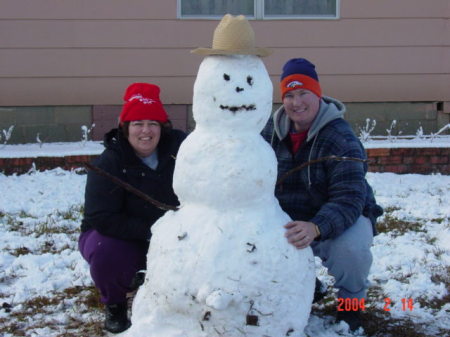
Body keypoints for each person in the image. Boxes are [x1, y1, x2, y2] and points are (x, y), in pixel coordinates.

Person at [262, 58, 383, 331]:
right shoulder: (269, 131)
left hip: (340, 217)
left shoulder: (340, 137)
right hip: (289, 219)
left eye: (303, 93)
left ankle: (350, 305)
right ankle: (308, 286)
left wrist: (317, 226)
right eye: (289, 95)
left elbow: (350, 197)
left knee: (351, 250)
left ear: (317, 93)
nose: (296, 102)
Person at [78, 83, 186, 333]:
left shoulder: (181, 151)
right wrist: (155, 230)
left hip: (172, 232)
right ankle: (115, 303)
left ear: (163, 127)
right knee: (108, 253)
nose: (145, 131)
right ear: (125, 128)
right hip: (117, 235)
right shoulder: (110, 162)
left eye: (153, 123)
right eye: (138, 123)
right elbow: (102, 217)